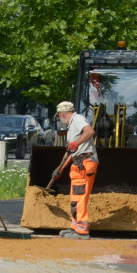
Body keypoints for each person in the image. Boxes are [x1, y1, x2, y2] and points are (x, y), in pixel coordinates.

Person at [55, 100, 98, 240]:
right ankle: (75, 227)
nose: (59, 118)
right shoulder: (72, 126)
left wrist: (76, 143)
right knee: (75, 199)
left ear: (62, 113)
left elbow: (90, 131)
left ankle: (82, 231)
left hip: (84, 164)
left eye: (59, 115)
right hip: (78, 164)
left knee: (79, 199)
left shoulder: (78, 119)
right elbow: (70, 151)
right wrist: (60, 168)